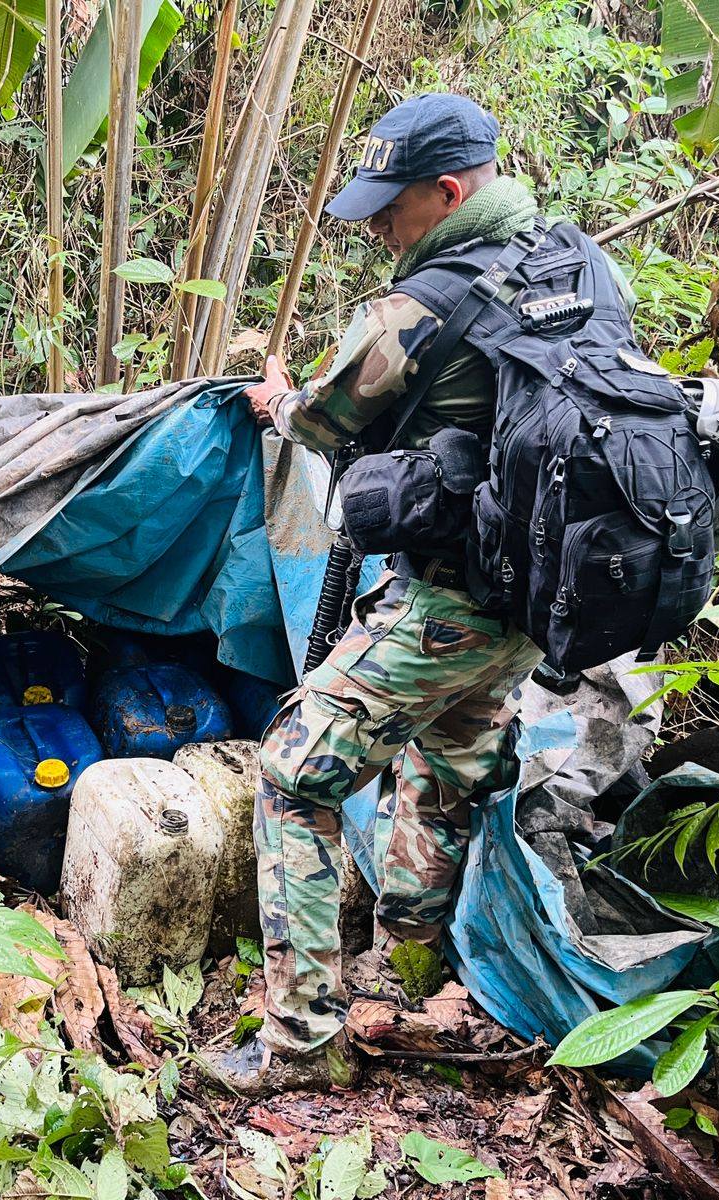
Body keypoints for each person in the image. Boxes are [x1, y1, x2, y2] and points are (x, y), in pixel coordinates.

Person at [204, 93, 562, 1096]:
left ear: (447, 193)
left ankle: (300, 1046)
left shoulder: (422, 305)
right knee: (446, 766)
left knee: (292, 775)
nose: (373, 228)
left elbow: (321, 422)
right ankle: (406, 973)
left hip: (451, 603)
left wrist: (277, 399)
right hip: (538, 599)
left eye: (388, 209)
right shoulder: (576, 268)